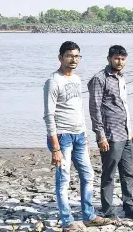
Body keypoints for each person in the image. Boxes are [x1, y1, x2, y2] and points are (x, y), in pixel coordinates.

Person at [43, 41, 113, 231]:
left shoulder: (76, 79)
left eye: (77, 56)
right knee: (63, 179)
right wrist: (55, 147)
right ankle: (67, 221)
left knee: (88, 175)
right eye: (69, 56)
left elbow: (79, 110)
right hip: (62, 137)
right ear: (60, 58)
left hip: (79, 136)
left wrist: (86, 137)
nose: (73, 60)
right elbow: (49, 116)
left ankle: (89, 216)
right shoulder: (53, 81)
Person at [87, 45, 133, 222]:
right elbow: (95, 108)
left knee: (128, 173)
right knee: (109, 175)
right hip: (110, 135)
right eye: (116, 58)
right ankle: (108, 211)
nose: (119, 62)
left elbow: (124, 105)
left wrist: (131, 130)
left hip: (126, 133)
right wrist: (100, 135)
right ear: (109, 58)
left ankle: (130, 208)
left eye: (122, 59)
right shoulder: (99, 79)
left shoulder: (121, 78)